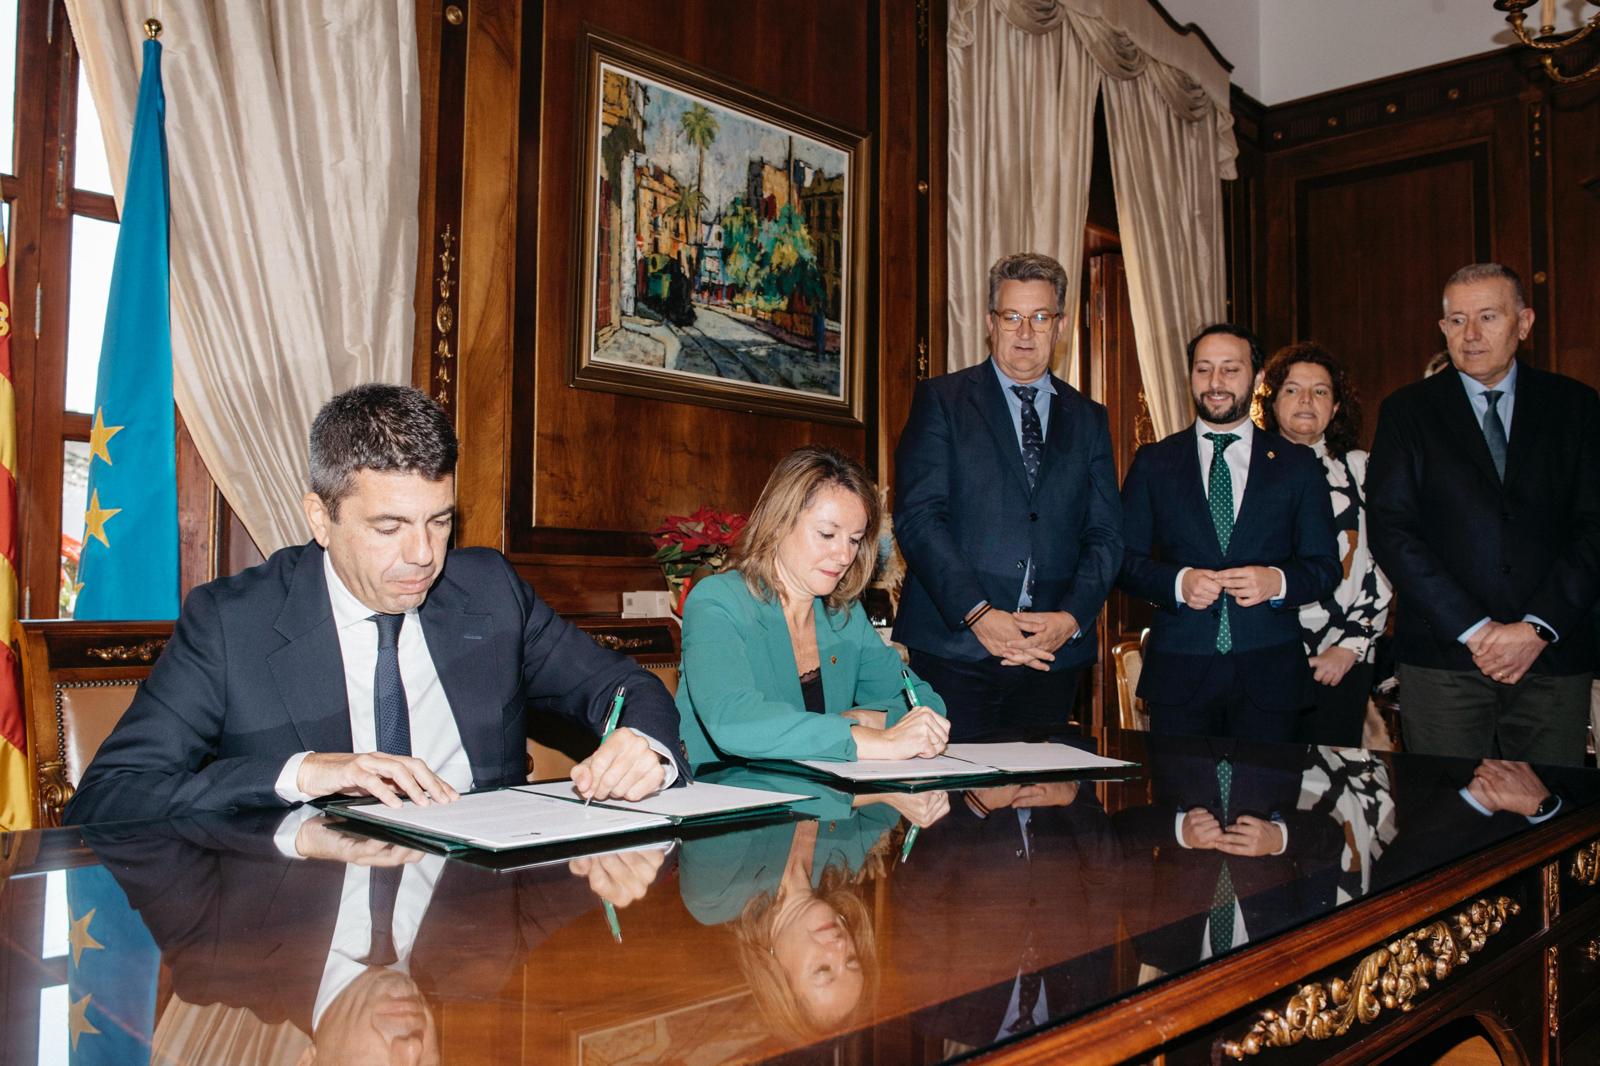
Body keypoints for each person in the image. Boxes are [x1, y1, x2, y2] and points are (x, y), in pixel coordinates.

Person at [65, 384, 687, 824]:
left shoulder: (488, 591)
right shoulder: (232, 624)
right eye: (388, 527)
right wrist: (307, 773)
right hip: (309, 934)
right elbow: (111, 797)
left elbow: (625, 685)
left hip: (479, 929)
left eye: (439, 522)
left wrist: (641, 744)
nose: (422, 555)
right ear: (321, 518)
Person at [1367, 263, 1600, 767]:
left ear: (1525, 322)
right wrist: (1474, 630)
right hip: (1443, 658)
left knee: (1548, 817)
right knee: (1446, 823)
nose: (1470, 335)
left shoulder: (1577, 406)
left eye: (1488, 316)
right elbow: (1391, 529)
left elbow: (1594, 527)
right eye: (1455, 321)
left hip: (1552, 656)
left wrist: (1536, 628)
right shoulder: (1407, 411)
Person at [892, 252, 1122, 743]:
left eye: (1039, 317)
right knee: (956, 812)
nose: (1025, 332)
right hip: (955, 649)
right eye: (1011, 316)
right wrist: (979, 613)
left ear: (1059, 326)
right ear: (990, 323)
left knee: (1042, 810)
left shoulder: (1090, 419)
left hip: (1053, 655)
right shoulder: (942, 400)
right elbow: (918, 518)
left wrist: (1072, 618)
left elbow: (1106, 535)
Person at [1118, 324, 1340, 741]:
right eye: (1203, 370)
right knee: (1181, 803)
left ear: (1257, 380)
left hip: (1271, 677)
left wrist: (1277, 581)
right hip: (1179, 675)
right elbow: (1121, 560)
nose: (1215, 383)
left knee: (1266, 802)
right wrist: (1179, 583)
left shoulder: (1297, 465)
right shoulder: (1154, 462)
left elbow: (1325, 567)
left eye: (1230, 370)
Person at [675, 446, 949, 770]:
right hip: (727, 802)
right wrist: (868, 737)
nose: (845, 556)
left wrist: (863, 718)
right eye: (828, 534)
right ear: (779, 523)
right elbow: (733, 722)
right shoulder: (718, 600)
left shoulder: (841, 615)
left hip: (822, 805)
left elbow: (926, 705)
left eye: (854, 539)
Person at [1259, 343, 1393, 747]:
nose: (1305, 400)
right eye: (1292, 389)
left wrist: (1351, 647)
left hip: (1342, 658)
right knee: (1264, 786)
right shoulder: (1248, 470)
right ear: (1273, 401)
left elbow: (1383, 567)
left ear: (1335, 407)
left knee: (1331, 791)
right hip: (1263, 656)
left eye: (1320, 391)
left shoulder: (1362, 468)